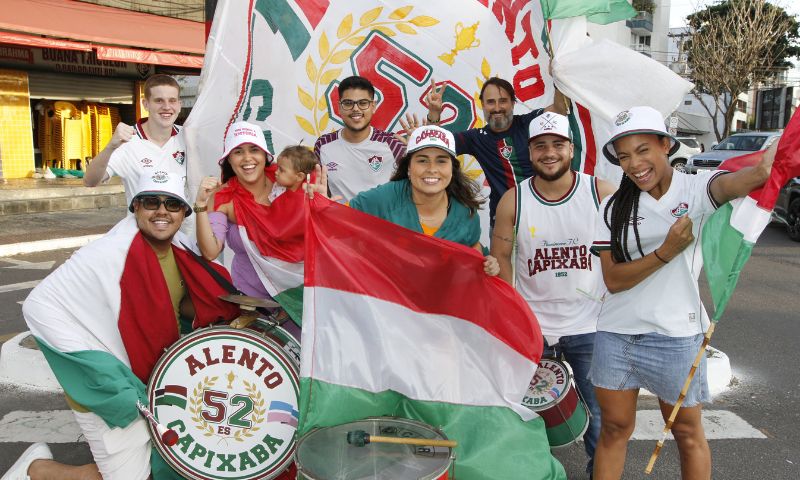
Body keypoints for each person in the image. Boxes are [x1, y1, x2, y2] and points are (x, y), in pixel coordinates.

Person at [10, 172, 239, 480]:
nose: (161, 211)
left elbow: (181, 304)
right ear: (135, 208)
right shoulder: (107, 254)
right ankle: (36, 471)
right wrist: (99, 368)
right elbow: (41, 305)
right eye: (150, 202)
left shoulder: (181, 249)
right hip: (106, 388)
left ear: (183, 212)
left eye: (172, 204)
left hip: (145, 380)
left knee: (156, 466)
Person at [589, 106, 775, 480]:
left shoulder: (697, 189)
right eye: (624, 156)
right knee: (614, 430)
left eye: (643, 150)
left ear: (665, 145)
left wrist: (770, 164)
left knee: (687, 433)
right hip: (617, 334)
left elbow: (744, 180)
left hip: (677, 336)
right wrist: (666, 252)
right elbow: (614, 280)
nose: (634, 164)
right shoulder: (612, 207)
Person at [491, 112, 616, 476]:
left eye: (557, 144)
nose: (549, 153)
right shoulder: (513, 201)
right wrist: (514, 318)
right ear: (529, 153)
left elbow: (626, 248)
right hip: (534, 326)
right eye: (540, 146)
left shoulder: (601, 193)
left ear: (571, 149)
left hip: (590, 324)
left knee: (598, 415)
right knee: (529, 417)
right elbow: (501, 259)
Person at [195, 122, 308, 336]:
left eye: (254, 150)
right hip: (252, 303)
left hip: (300, 294)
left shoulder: (289, 180)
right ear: (228, 159)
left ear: (265, 155)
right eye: (238, 152)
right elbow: (210, 251)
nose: (247, 158)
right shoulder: (223, 197)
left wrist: (319, 203)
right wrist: (200, 205)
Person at [343, 125, 498, 275]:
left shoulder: (465, 213)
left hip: (438, 299)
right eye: (422, 160)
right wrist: (320, 204)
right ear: (409, 168)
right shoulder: (385, 197)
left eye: (441, 160)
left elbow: (474, 253)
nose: (432, 168)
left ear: (452, 168)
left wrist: (489, 264)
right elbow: (337, 218)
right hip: (389, 299)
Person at [423, 77, 568, 225]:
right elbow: (434, 146)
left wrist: (558, 75)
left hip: (543, 216)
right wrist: (434, 113)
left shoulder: (530, 123)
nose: (497, 107)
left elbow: (559, 109)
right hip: (504, 223)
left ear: (513, 103)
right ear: (483, 105)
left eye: (503, 101)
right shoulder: (476, 138)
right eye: (491, 102)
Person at [83, 74, 186, 210]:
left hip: (184, 230)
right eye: (159, 101)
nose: (167, 107)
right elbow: (90, 181)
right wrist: (110, 147)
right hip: (142, 229)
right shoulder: (127, 140)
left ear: (179, 105)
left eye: (172, 100)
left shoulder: (189, 137)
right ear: (146, 104)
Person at [313, 75, 406, 201]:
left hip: (381, 220)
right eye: (348, 103)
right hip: (340, 219)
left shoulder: (393, 144)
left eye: (363, 103)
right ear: (339, 107)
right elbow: (322, 188)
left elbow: (416, 183)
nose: (355, 109)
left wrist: (416, 148)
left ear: (373, 106)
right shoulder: (323, 144)